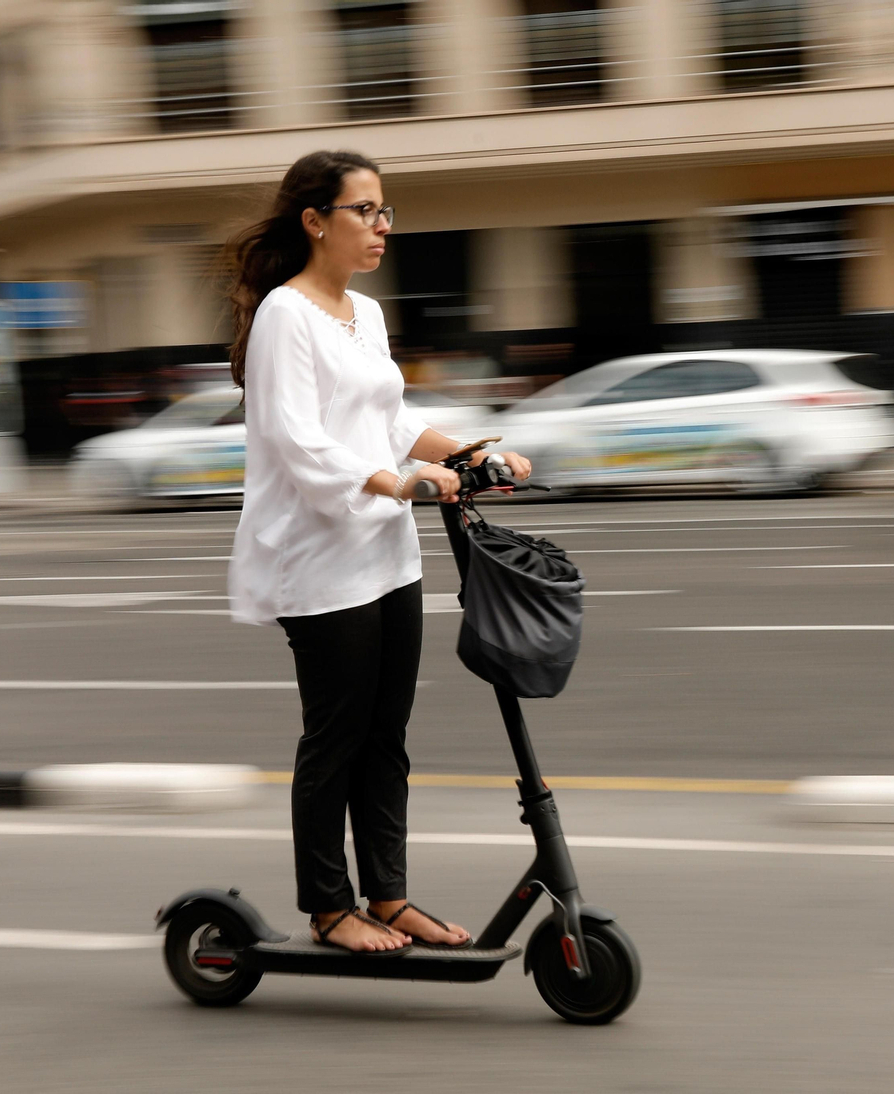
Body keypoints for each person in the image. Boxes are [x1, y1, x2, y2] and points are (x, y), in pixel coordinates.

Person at [224, 150, 531, 954]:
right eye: (365, 210)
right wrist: (399, 485)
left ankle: (387, 896)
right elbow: (297, 440)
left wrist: (470, 454)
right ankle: (330, 908)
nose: (382, 226)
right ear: (315, 221)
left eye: (386, 210)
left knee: (386, 734)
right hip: (319, 560)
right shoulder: (284, 316)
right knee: (337, 735)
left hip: (387, 556)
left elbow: (390, 422)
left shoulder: (364, 312)